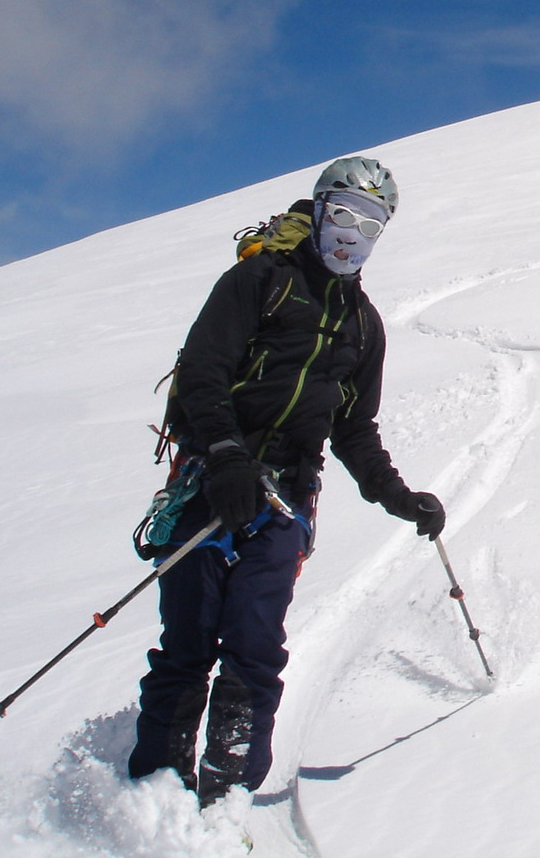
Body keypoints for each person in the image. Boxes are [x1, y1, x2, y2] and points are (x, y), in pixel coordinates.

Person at [128, 155, 444, 805]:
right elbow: (203, 375)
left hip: (285, 496)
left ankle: (225, 796)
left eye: (373, 220)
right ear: (321, 209)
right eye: (345, 212)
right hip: (209, 481)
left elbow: (354, 430)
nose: (354, 230)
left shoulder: (362, 325)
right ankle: (153, 790)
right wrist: (224, 455)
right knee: (188, 636)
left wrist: (399, 497)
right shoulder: (257, 283)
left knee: (253, 638)